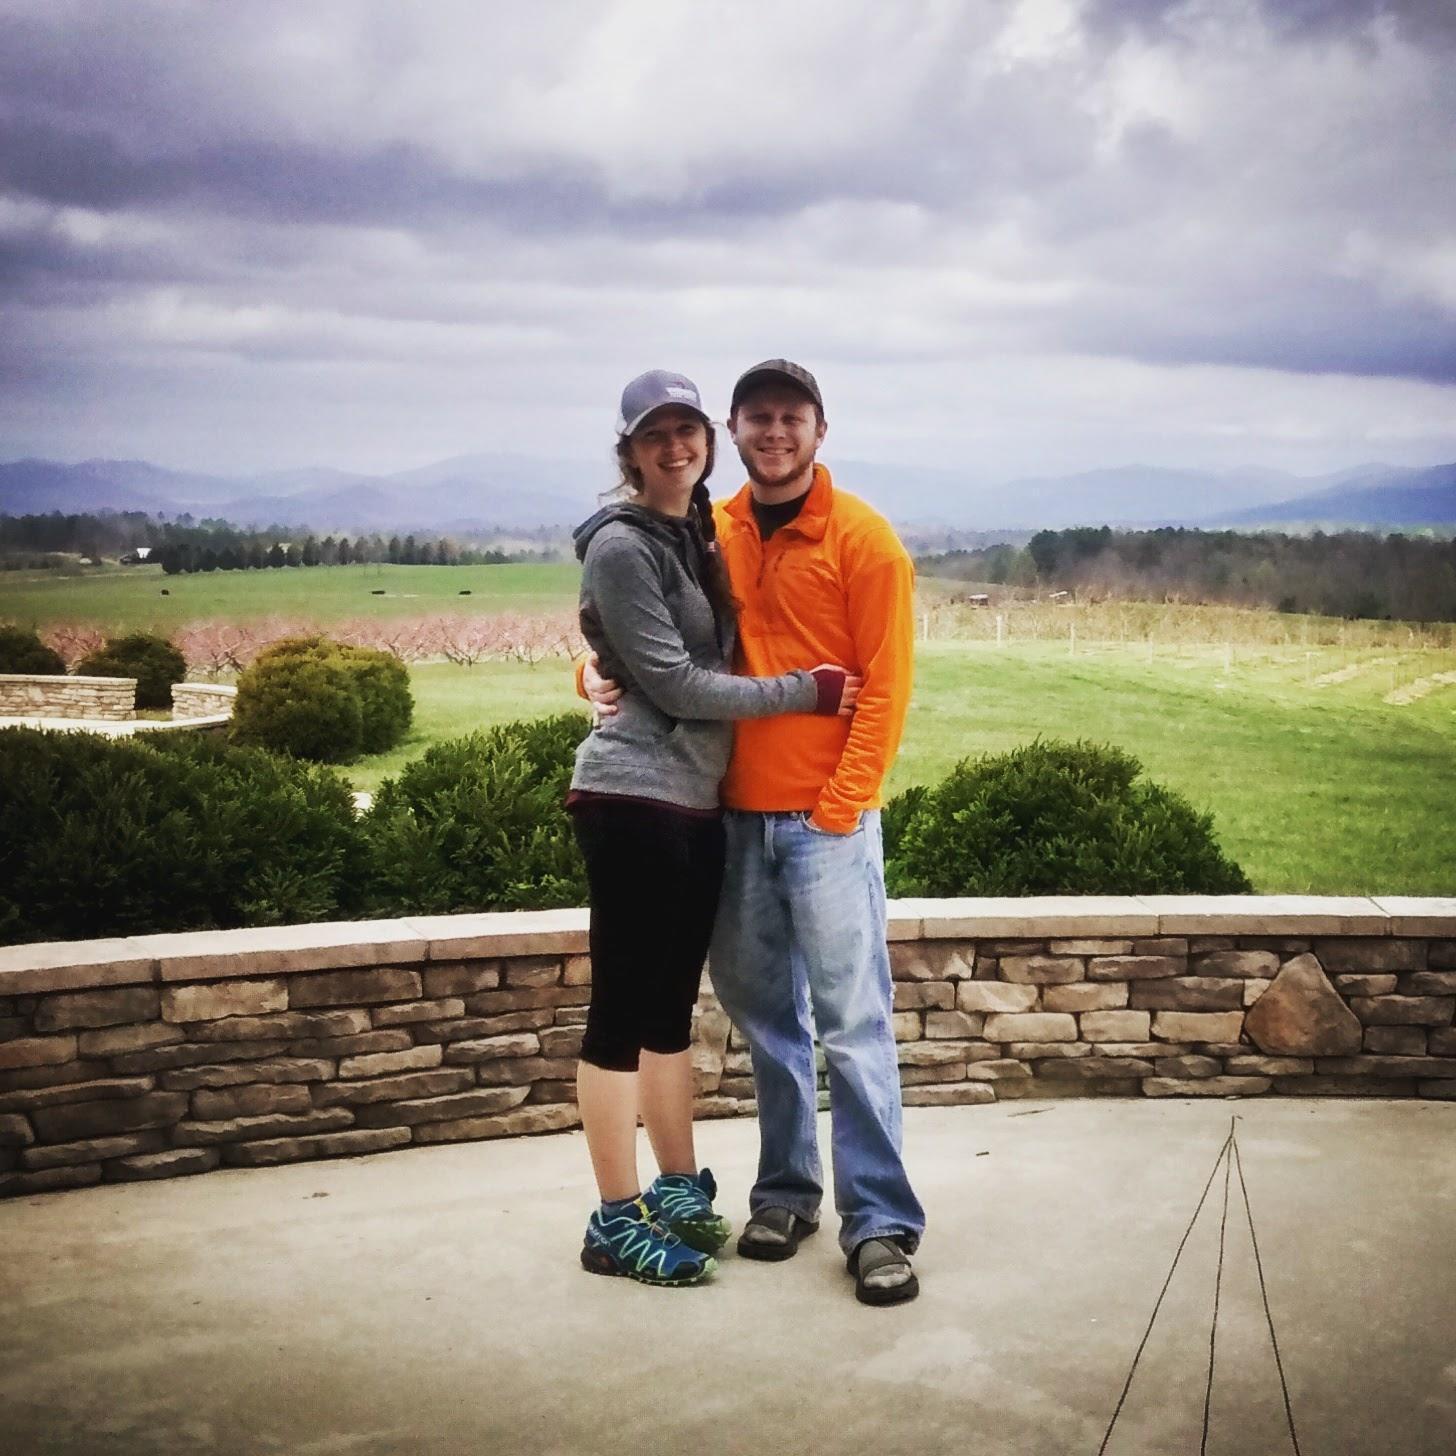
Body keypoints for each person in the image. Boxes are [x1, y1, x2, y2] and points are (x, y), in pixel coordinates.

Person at [585, 359, 926, 1306]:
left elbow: (886, 688)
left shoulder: (867, 541)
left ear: (820, 430)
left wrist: (838, 804)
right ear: (733, 430)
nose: (774, 433)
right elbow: (660, 646)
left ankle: (880, 1222)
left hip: (825, 822)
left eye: (792, 417)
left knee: (853, 1025)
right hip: (725, 818)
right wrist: (594, 675)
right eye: (758, 418)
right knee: (768, 1025)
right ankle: (785, 1194)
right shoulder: (711, 528)